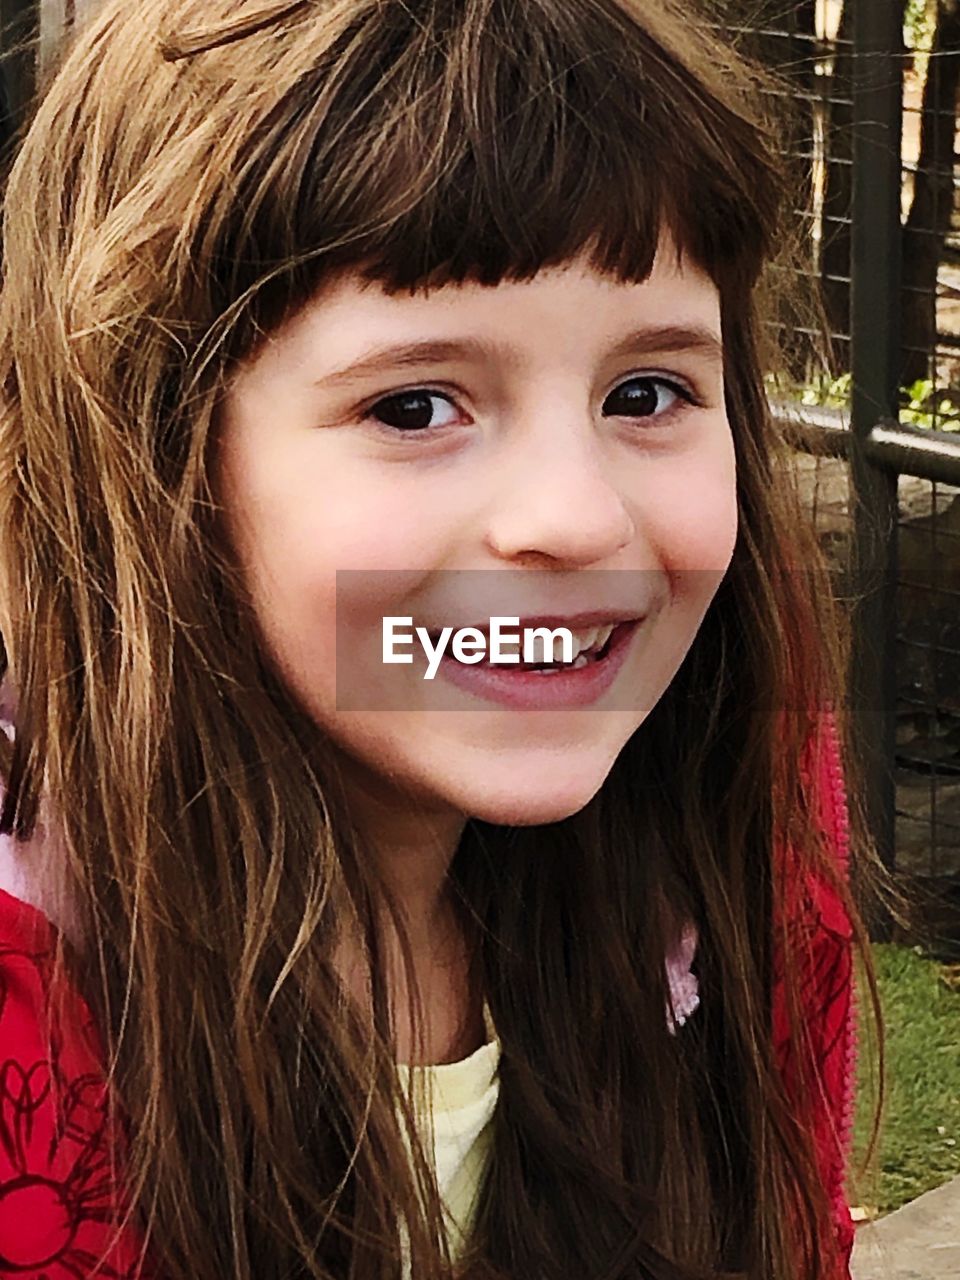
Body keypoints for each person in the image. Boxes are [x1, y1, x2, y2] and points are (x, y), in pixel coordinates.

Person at [0, 0, 882, 1276]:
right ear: (154, 454)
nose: (575, 521)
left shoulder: (731, 845)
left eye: (647, 392)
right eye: (416, 404)